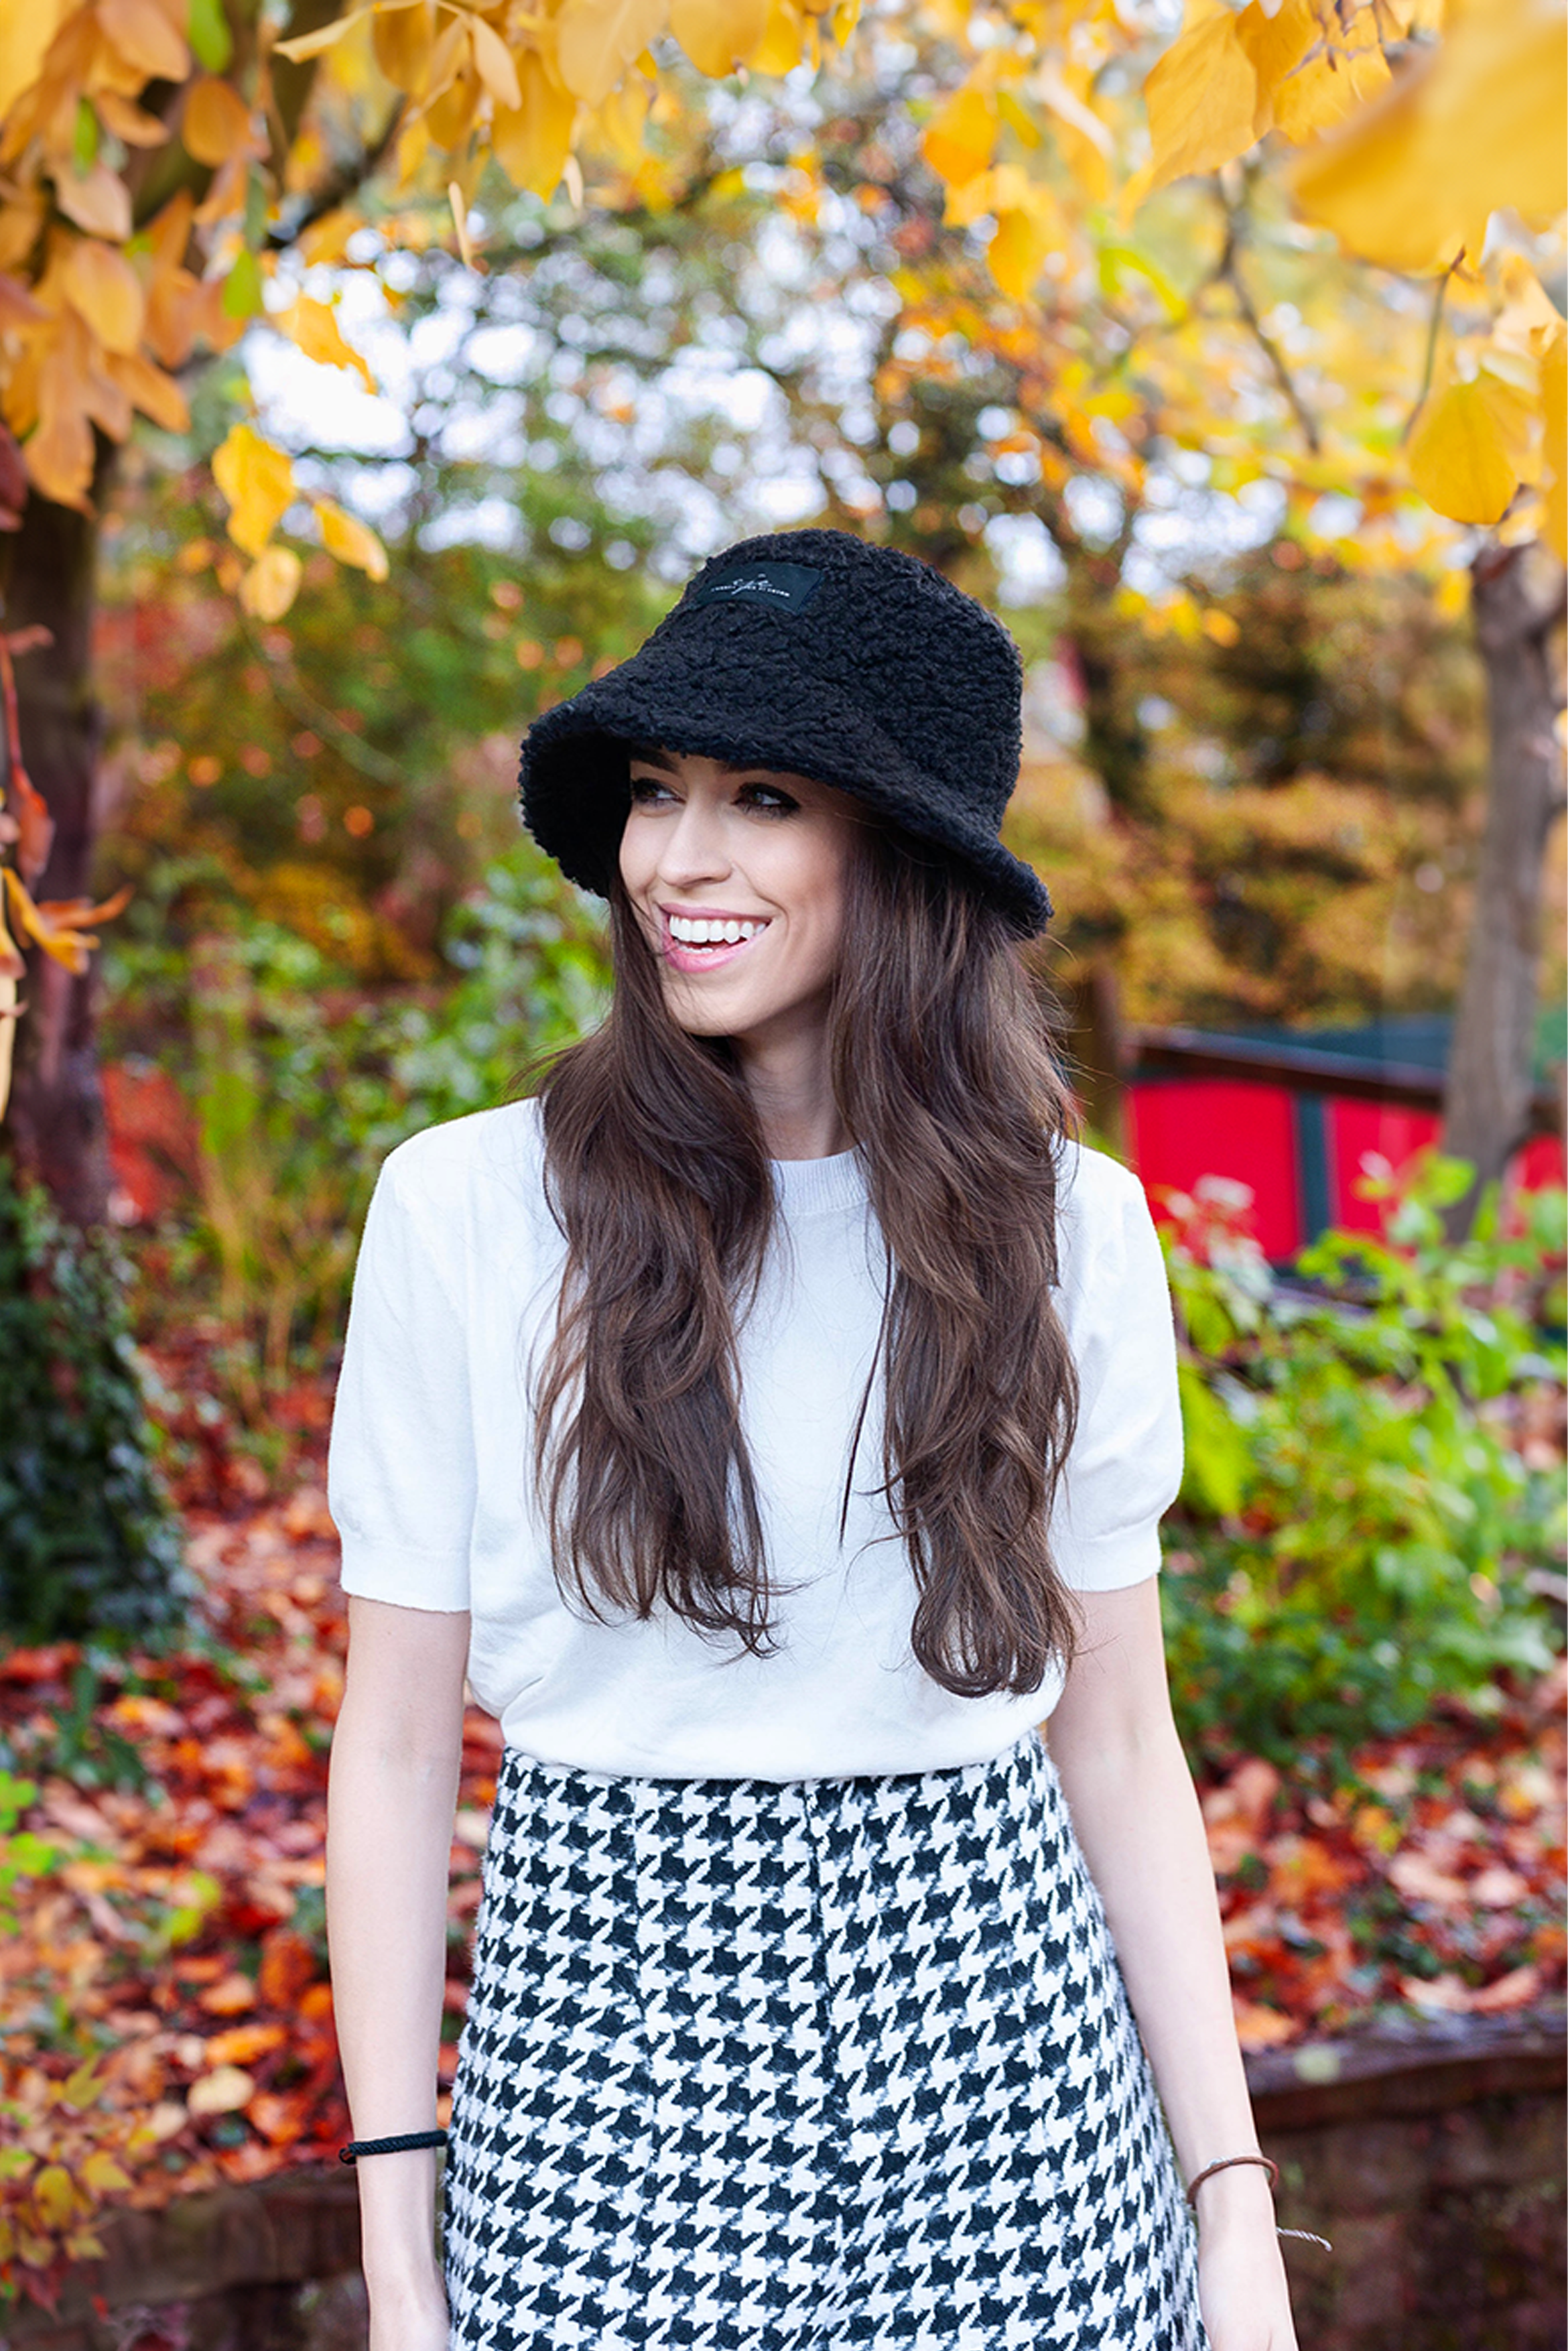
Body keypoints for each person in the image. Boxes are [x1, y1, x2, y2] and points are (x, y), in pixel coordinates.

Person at [325, 529, 1301, 2351]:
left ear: (898, 848)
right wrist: (400, 2264)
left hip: (1012, 2063)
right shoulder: (465, 1209)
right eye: (652, 792)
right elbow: (389, 1751)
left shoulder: (1064, 1228)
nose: (675, 862)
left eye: (759, 797)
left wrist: (1228, 2213)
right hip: (606, 2055)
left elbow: (1114, 1727)